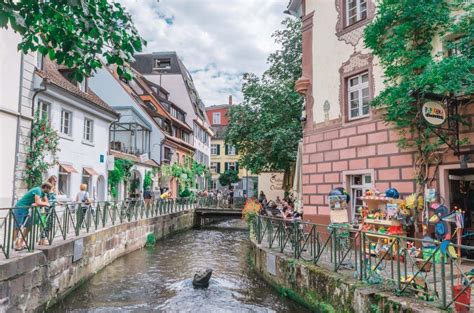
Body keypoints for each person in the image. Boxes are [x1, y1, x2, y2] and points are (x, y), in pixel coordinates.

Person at [13, 182, 52, 251]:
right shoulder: (37, 190)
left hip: (27, 209)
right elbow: (39, 203)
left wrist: (43, 203)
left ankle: (21, 242)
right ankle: (15, 244)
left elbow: (46, 202)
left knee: (28, 227)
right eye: (50, 189)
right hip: (20, 208)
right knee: (18, 227)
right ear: (46, 188)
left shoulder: (43, 193)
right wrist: (42, 203)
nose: (50, 191)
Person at [39, 176, 58, 245]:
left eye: (56, 181)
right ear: (51, 180)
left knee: (50, 224)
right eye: (54, 181)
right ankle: (42, 239)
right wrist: (43, 207)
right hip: (46, 208)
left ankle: (44, 239)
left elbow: (54, 199)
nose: (56, 182)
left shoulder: (54, 188)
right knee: (44, 223)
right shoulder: (47, 187)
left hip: (52, 208)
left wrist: (58, 202)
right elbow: (43, 198)